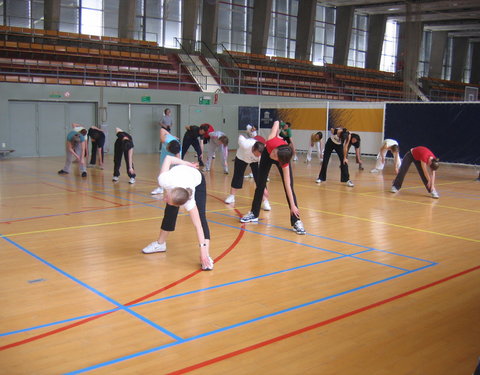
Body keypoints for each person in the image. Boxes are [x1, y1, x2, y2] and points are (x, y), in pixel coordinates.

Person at [141, 155, 214, 271]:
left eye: (167, 199)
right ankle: (160, 244)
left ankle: (206, 256)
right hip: (182, 173)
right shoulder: (164, 180)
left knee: (200, 216)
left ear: (181, 204)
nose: (164, 199)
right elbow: (169, 158)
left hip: (197, 179)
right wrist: (186, 163)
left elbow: (198, 226)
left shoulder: (190, 201)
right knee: (169, 211)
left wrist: (202, 251)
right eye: (167, 197)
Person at [240, 120, 306, 235]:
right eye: (274, 153)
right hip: (266, 153)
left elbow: (287, 185)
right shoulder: (270, 143)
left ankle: (296, 221)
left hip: (282, 157)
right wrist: (278, 122)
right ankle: (254, 213)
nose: (273, 155)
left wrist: (293, 206)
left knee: (289, 187)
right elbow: (275, 125)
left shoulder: (284, 162)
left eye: (275, 156)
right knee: (260, 184)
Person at [225, 135, 270, 211]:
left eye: (259, 155)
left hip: (254, 162)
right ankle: (232, 196)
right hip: (241, 157)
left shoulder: (262, 155)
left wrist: (264, 188)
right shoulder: (245, 144)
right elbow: (240, 136)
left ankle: (265, 201)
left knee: (259, 179)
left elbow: (263, 174)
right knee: (237, 175)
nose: (258, 156)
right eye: (256, 154)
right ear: (253, 149)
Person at [151, 128, 182, 195]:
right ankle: (160, 188)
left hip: (171, 155)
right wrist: (171, 135)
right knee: (162, 170)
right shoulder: (164, 139)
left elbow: (179, 162)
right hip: (164, 154)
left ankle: (176, 187)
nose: (166, 147)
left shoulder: (177, 151)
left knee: (174, 171)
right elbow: (162, 129)